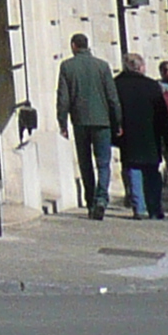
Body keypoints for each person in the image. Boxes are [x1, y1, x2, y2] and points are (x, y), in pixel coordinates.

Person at [55, 32, 118, 218]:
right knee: (103, 163)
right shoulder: (103, 66)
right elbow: (112, 97)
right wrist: (117, 121)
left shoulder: (67, 67)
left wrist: (62, 122)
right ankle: (101, 198)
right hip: (102, 121)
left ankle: (90, 200)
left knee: (85, 163)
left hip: (80, 121)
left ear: (74, 45)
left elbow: (63, 98)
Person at [114, 53, 168, 219]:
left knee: (133, 169)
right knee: (152, 171)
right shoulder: (152, 85)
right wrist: (167, 137)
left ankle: (139, 208)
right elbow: (162, 113)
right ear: (140, 67)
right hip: (150, 135)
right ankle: (155, 208)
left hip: (129, 134)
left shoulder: (117, 84)